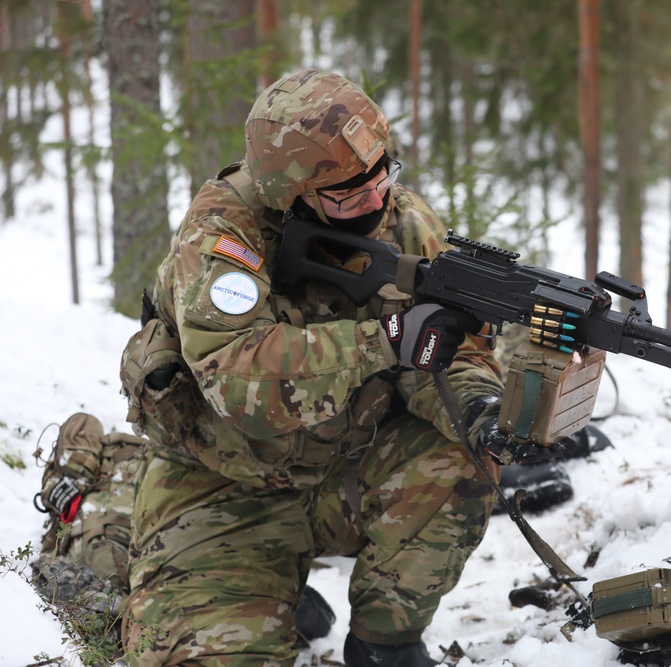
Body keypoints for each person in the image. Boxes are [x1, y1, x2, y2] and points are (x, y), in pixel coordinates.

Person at [118, 69, 513, 667]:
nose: (377, 202)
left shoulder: (403, 221)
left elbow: (451, 350)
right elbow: (237, 380)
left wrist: (481, 408)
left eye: (383, 177)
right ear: (289, 195)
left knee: (459, 456)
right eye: (349, 196)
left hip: (343, 471)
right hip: (224, 489)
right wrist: (380, 342)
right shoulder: (223, 235)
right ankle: (258, 580)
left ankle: (385, 639)